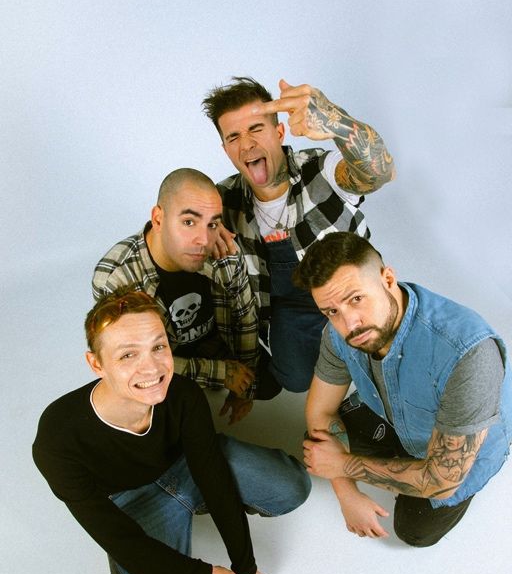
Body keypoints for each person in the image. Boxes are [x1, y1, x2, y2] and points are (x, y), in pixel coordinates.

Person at [32, 288, 311, 574]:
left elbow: (213, 477)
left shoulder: (183, 395)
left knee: (291, 486)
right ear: (96, 364)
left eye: (158, 347)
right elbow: (119, 538)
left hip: (187, 467)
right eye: (128, 355)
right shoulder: (57, 439)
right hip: (131, 504)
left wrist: (244, 566)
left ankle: (193, 507)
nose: (151, 368)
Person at [294, 232, 511, 546]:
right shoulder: (340, 332)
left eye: (356, 299)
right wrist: (346, 492)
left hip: (464, 447)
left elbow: (441, 482)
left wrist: (341, 465)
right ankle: (400, 456)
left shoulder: (467, 354)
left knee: (414, 531)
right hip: (394, 414)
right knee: (315, 441)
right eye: (332, 311)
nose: (349, 324)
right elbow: (320, 411)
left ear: (388, 279)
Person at [202, 77, 395, 392]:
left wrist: (336, 122)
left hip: (350, 289)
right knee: (294, 380)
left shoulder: (320, 168)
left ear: (279, 132)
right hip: (290, 305)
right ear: (226, 149)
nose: (246, 144)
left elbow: (379, 173)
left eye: (256, 129)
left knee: (383, 359)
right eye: (234, 136)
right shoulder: (222, 200)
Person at [93, 167, 278, 426]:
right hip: (164, 356)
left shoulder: (223, 252)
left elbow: (245, 317)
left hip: (213, 343)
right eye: (189, 222)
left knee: (270, 383)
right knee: (160, 403)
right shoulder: (116, 278)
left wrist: (244, 383)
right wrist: (222, 374)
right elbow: (134, 358)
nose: (203, 240)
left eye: (212, 224)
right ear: (158, 219)